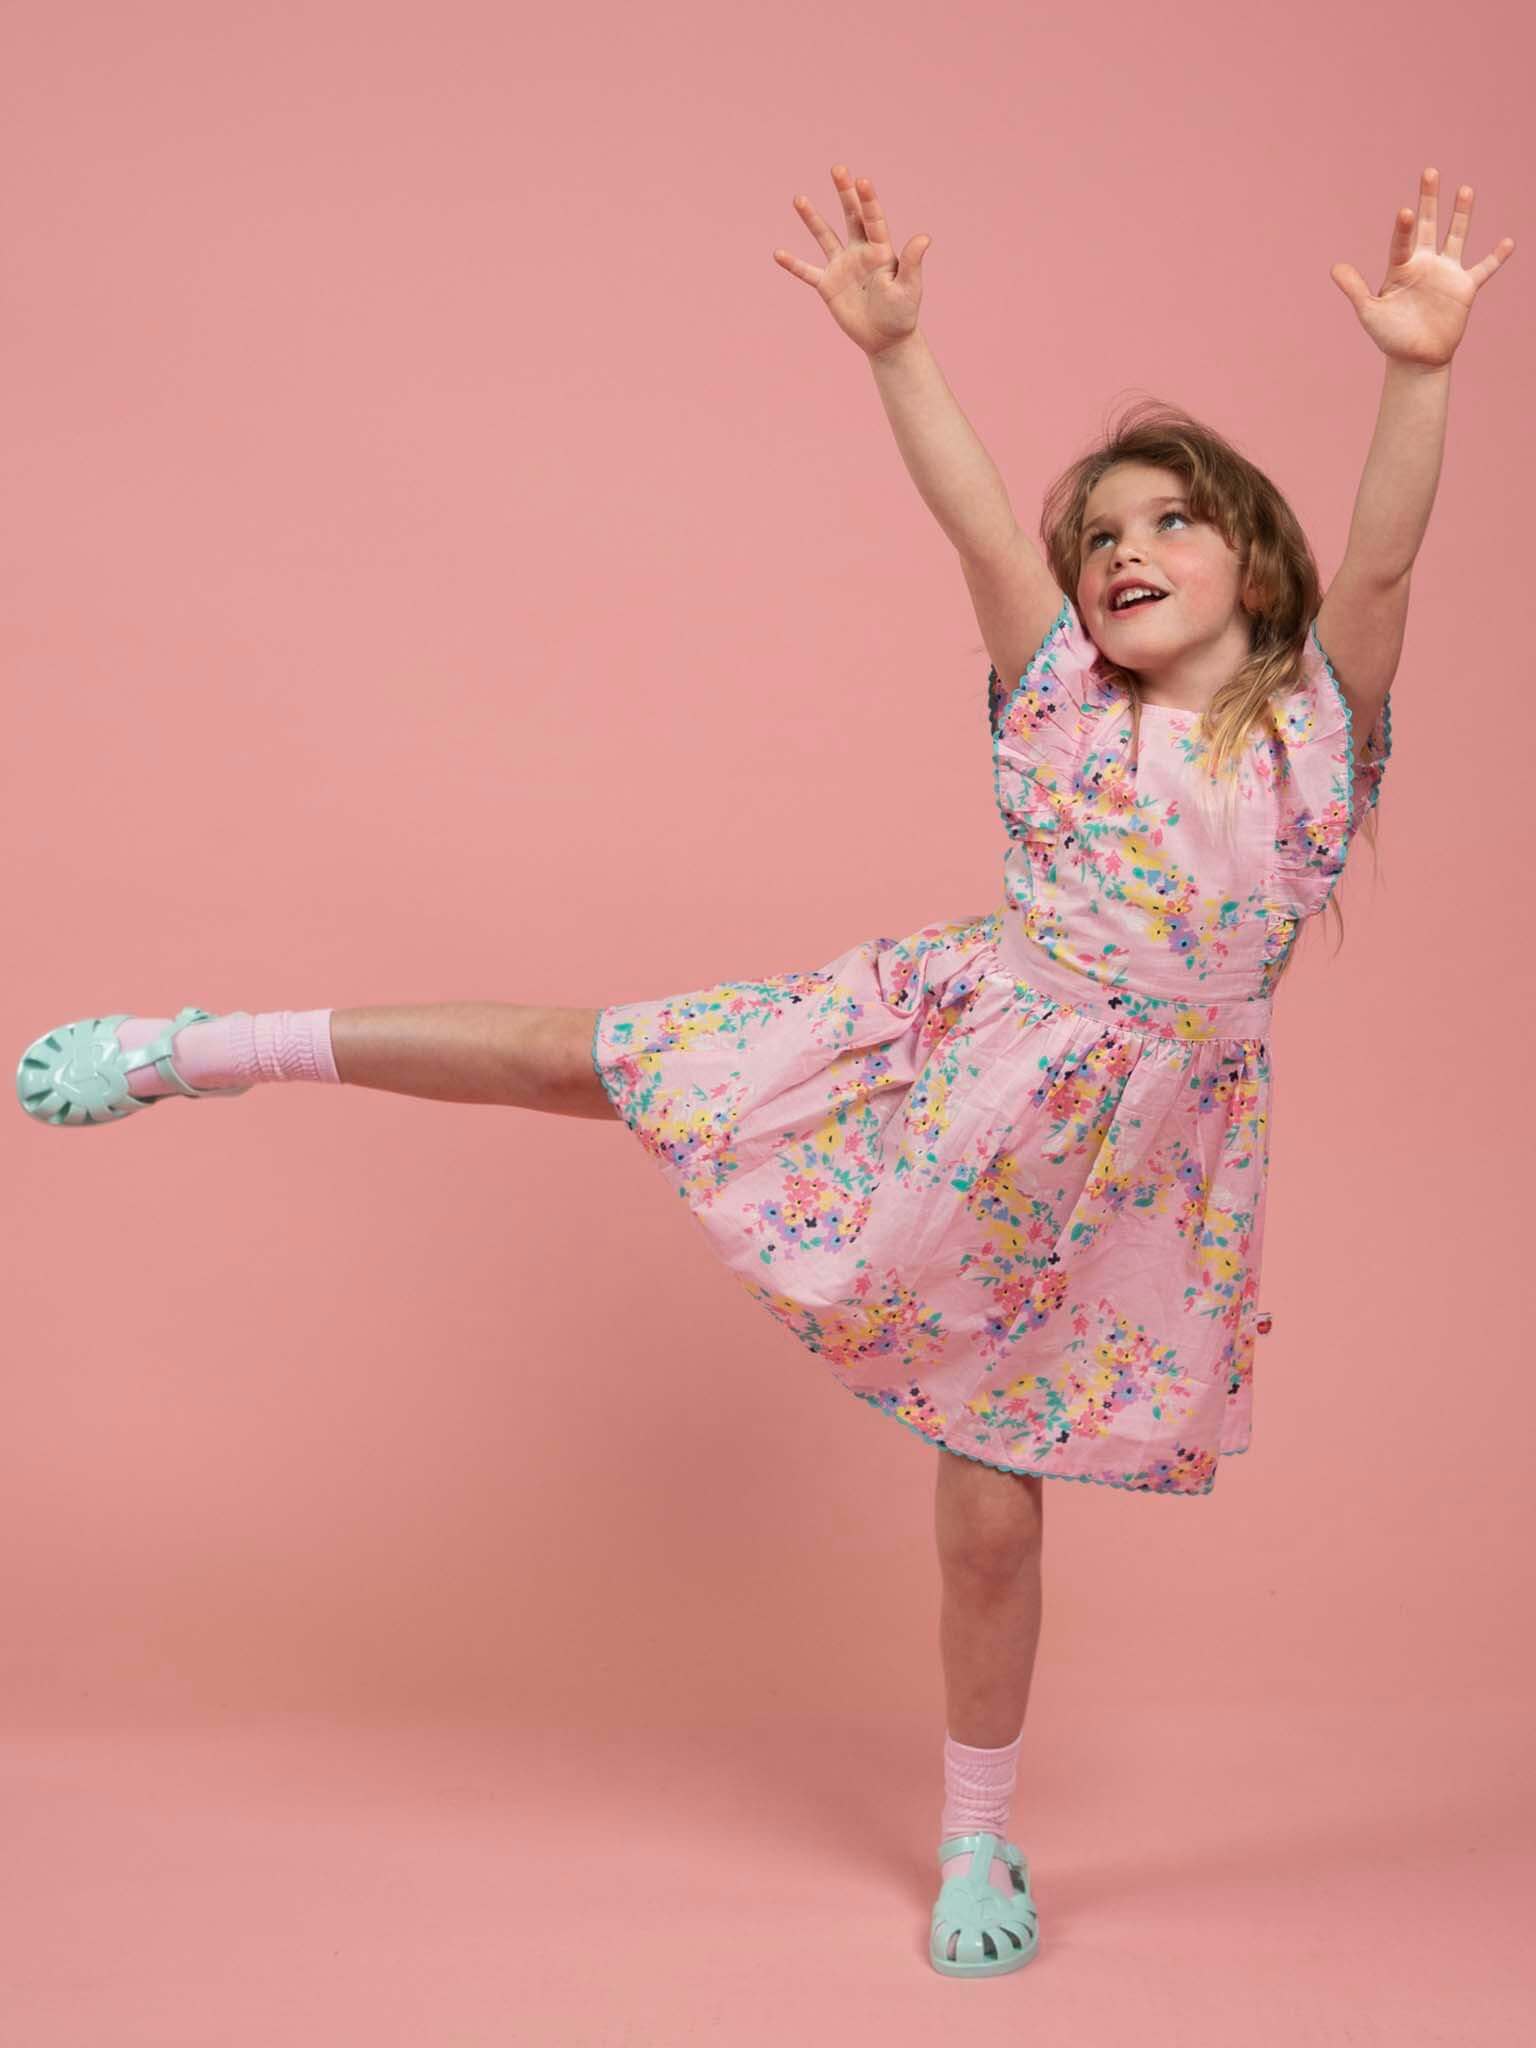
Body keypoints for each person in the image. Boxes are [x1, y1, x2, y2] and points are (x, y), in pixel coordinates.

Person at [15, 163, 1513, 1980]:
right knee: (597, 1059)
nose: (1124, 549)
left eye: (1173, 521)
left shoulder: (1322, 738)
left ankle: (975, 1841)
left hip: (1125, 1173)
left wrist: (1419, 376)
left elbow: (1390, 559)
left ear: (1252, 566)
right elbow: (976, 526)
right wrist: (897, 350)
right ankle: (205, 1047)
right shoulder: (1055, 702)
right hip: (948, 1052)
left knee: (985, 1526)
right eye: (1100, 531)